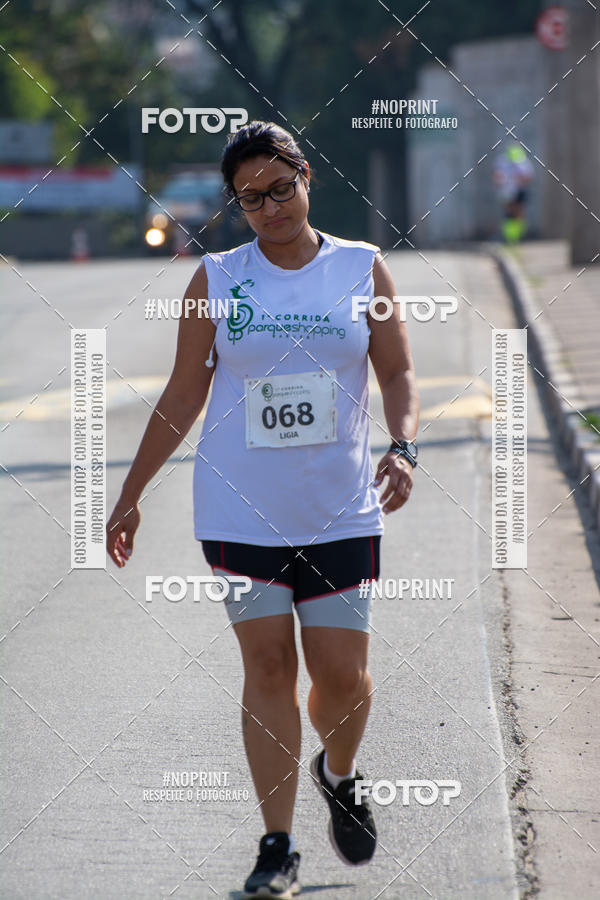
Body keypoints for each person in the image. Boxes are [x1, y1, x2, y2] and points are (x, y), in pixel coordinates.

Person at [106, 120, 419, 899]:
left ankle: (337, 773)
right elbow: (184, 393)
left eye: (282, 188)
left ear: (306, 176)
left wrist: (404, 446)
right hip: (240, 509)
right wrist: (130, 493)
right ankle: (277, 846)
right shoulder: (217, 278)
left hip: (341, 508)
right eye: (252, 199)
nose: (272, 207)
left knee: (342, 677)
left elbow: (398, 370)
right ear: (236, 205)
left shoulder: (361, 266)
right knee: (269, 666)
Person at [492, 143, 534, 244]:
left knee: (519, 213)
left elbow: (529, 177)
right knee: (509, 213)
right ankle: (510, 237)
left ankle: (518, 236)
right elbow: (497, 176)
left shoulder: (523, 162)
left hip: (520, 190)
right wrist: (501, 180)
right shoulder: (502, 161)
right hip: (507, 191)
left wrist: (518, 178)